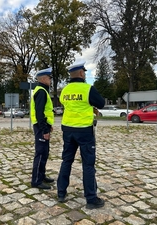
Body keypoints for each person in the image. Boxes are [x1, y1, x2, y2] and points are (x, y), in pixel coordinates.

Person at [56, 62, 105, 209]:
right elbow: (101, 103)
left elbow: (65, 103)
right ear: (82, 74)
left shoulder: (64, 90)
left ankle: (61, 193)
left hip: (68, 130)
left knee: (66, 161)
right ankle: (91, 199)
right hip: (84, 131)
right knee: (88, 164)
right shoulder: (87, 88)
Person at [30, 67, 55, 190]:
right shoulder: (41, 92)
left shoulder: (42, 91)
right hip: (40, 127)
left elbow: (45, 112)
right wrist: (44, 130)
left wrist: (48, 126)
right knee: (40, 153)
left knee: (44, 153)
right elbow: (40, 113)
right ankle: (36, 181)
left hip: (43, 126)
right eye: (49, 78)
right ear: (44, 79)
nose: (50, 80)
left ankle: (42, 175)